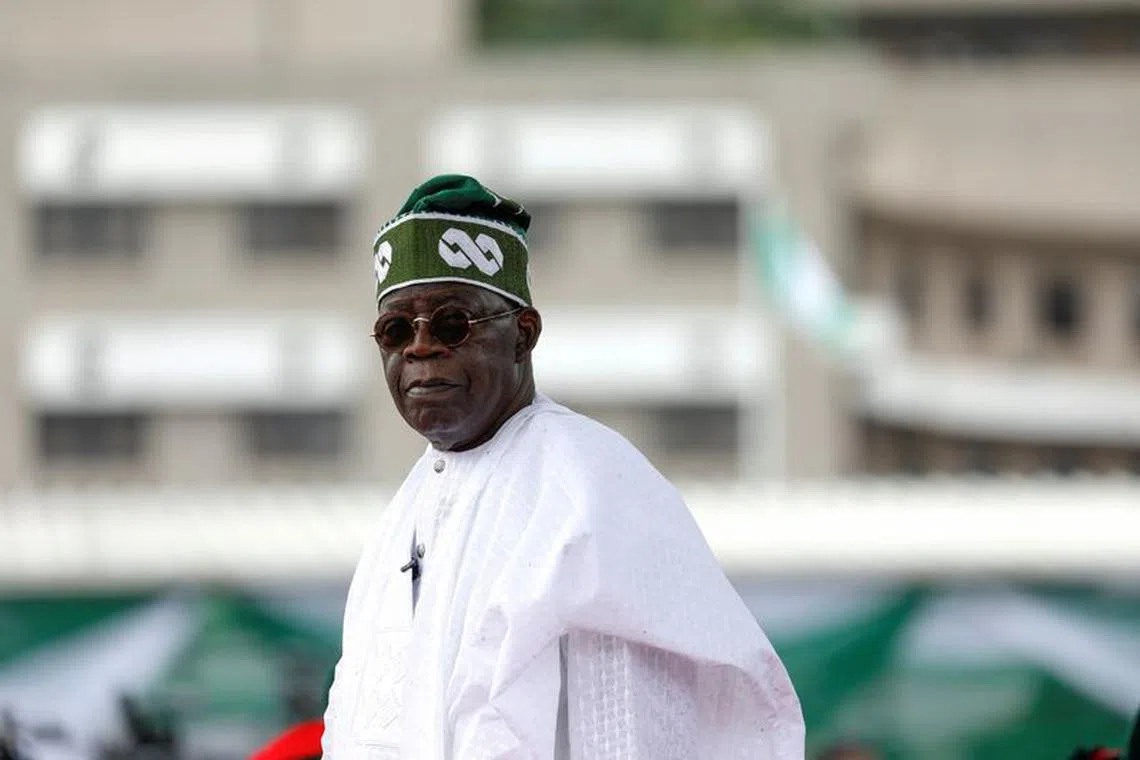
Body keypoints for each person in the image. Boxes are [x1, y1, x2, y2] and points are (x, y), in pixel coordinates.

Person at [321, 174, 805, 759]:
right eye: (396, 330)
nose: (420, 348)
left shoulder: (590, 487)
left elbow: (629, 731)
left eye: (452, 324)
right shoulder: (405, 510)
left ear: (523, 335)